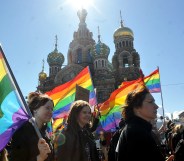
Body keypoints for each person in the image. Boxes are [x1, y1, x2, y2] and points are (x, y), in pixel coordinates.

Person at [116, 87, 174, 161]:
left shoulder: (135, 129)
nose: (156, 106)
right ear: (136, 107)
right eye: (150, 102)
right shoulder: (137, 132)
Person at [9, 92, 54, 161]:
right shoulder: (22, 131)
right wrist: (40, 158)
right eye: (47, 108)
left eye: (52, 109)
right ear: (35, 109)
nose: (51, 112)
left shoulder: (46, 133)